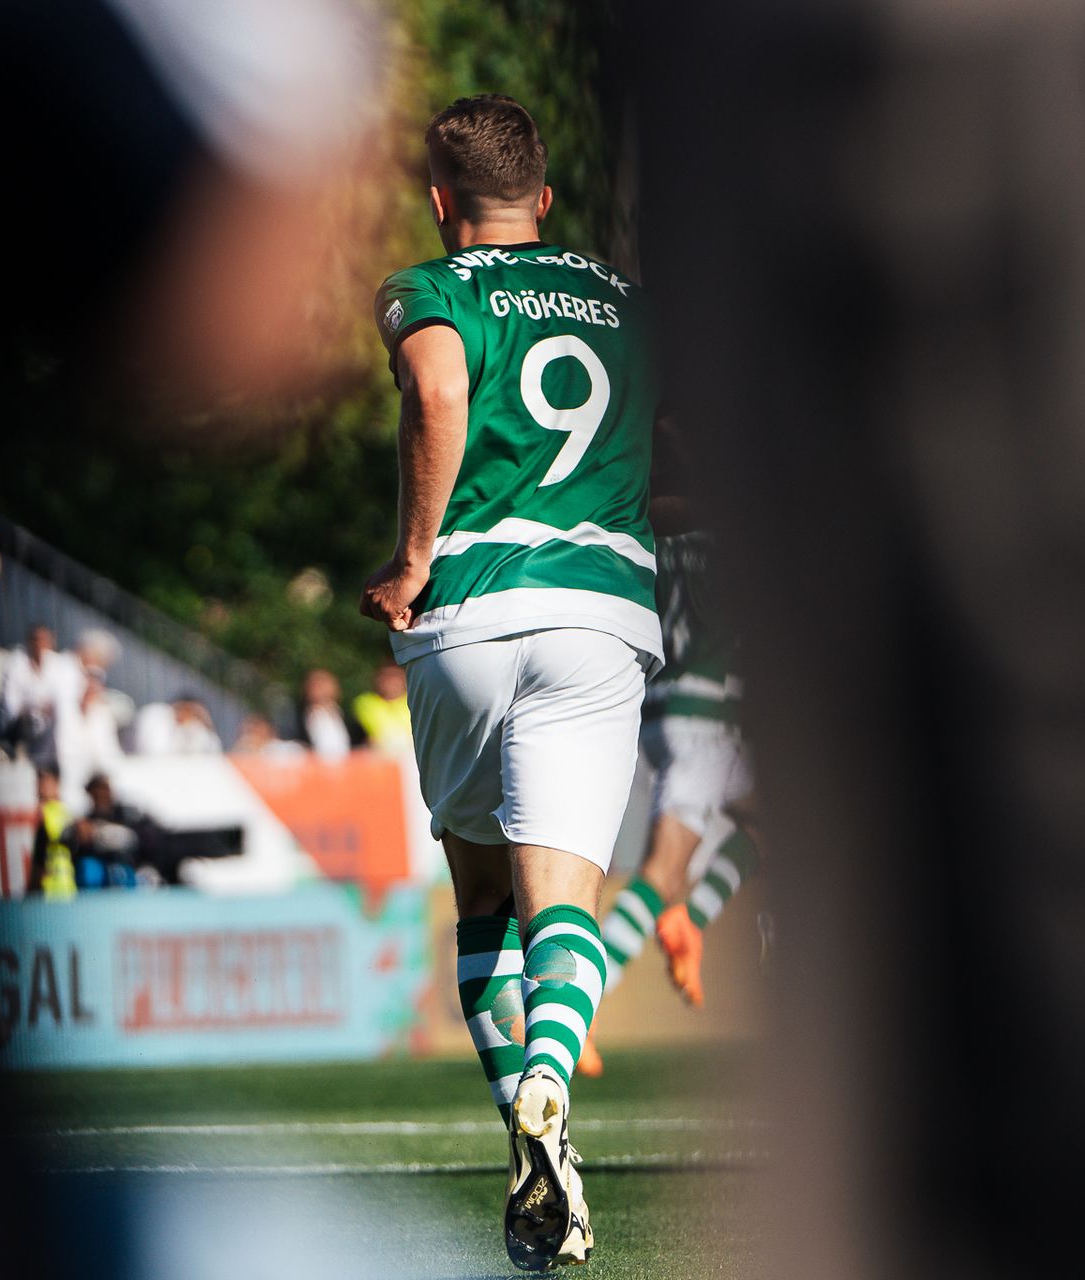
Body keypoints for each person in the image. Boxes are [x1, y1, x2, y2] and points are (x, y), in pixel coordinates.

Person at [359, 94, 660, 1272]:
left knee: (482, 898)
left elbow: (437, 392)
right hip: (594, 614)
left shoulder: (429, 287)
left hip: (468, 615)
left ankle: (536, 1142)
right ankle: (552, 1081)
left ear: (441, 205)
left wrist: (415, 552)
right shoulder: (630, 302)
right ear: (543, 197)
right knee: (565, 898)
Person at [578, 523, 760, 1078]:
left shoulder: (643, 531)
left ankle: (688, 919)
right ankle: (578, 1011)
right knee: (660, 871)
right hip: (704, 717)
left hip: (655, 707)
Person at [0, 624, 82, 771]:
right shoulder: (16, 663)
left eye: (43, 640)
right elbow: (10, 702)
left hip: (53, 730)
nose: (39, 644)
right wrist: (31, 709)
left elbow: (65, 700)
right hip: (22, 727)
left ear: (51, 642)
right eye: (35, 640)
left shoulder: (63, 666)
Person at [290, 667, 365, 761]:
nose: (318, 688)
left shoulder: (348, 718)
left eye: (323, 683)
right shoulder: (295, 718)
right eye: (314, 684)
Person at [27, 768, 76, 900]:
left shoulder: (64, 811)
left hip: (64, 880)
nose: (43, 787)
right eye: (41, 783)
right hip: (44, 882)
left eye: (47, 783)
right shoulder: (35, 812)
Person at [351, 660, 413, 749]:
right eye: (386, 678)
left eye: (395, 677)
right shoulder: (365, 702)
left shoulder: (411, 700)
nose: (391, 683)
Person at [132, 695, 221, 755]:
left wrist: (207, 725)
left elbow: (213, 752)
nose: (193, 720)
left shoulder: (189, 730)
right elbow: (153, 752)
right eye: (194, 714)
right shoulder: (158, 714)